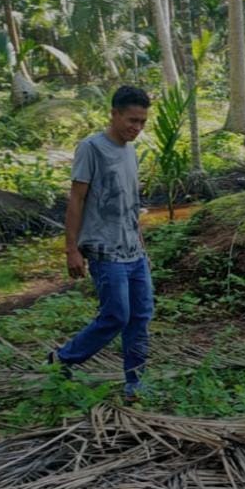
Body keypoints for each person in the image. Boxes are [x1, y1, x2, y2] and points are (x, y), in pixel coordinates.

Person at [50, 86, 153, 401]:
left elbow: (130, 201)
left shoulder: (131, 151)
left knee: (141, 314)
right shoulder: (91, 148)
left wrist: (140, 240)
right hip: (104, 249)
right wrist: (71, 249)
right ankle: (62, 359)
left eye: (142, 122)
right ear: (114, 113)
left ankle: (134, 381)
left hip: (133, 250)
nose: (136, 128)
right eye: (131, 120)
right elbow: (76, 200)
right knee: (116, 315)